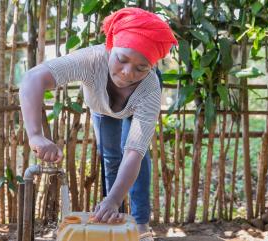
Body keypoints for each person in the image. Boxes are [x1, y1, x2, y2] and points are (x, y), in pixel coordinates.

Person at [19, 7, 177, 241]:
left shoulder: (149, 89)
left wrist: (113, 199)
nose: (127, 73)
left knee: (137, 156)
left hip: (136, 106)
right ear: (111, 48)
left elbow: (133, 151)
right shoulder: (92, 59)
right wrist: (35, 135)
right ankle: (115, 219)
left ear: (151, 67)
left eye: (140, 67)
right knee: (111, 156)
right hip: (101, 107)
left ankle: (141, 224)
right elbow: (34, 78)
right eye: (121, 60)